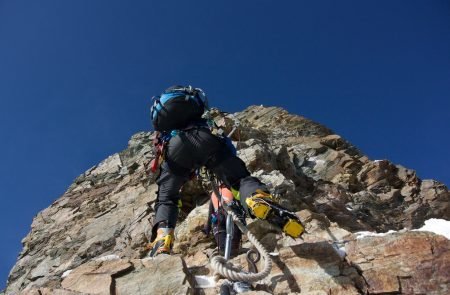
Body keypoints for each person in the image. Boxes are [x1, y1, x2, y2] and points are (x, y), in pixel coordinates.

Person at [148, 85, 304, 257]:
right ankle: (257, 198)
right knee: (239, 180)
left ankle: (163, 236)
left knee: (167, 197)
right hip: (204, 138)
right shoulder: (198, 114)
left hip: (174, 148)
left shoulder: (166, 126)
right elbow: (227, 149)